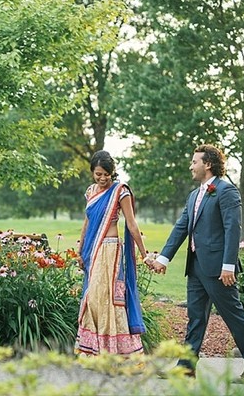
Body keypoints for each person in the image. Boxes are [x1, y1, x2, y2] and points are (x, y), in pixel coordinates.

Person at [148, 144, 244, 384]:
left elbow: (233, 229)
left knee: (233, 315)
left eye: (194, 161)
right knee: (195, 317)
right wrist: (163, 258)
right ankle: (186, 367)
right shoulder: (193, 195)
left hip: (218, 269)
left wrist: (228, 266)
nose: (191, 166)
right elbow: (182, 227)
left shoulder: (227, 191)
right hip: (196, 267)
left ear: (208, 164)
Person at [74, 150, 150, 356]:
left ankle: (116, 352)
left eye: (106, 174)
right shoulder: (91, 191)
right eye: (98, 174)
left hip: (110, 250)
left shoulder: (120, 191)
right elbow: (87, 222)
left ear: (112, 173)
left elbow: (132, 225)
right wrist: (80, 251)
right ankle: (93, 350)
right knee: (93, 298)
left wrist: (144, 254)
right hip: (93, 251)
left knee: (108, 299)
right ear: (92, 172)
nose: (102, 178)